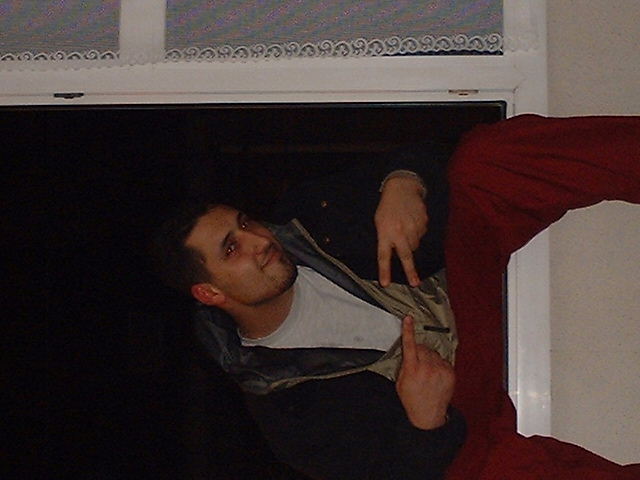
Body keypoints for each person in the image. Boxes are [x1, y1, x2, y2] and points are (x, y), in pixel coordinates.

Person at [152, 142, 466, 479]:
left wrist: (404, 181)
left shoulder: (314, 220)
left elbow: (426, 157)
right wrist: (425, 424)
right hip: (481, 401)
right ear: (209, 292)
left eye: (245, 223)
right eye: (231, 249)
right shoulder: (287, 408)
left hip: (486, 283)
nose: (259, 240)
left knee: (483, 159)